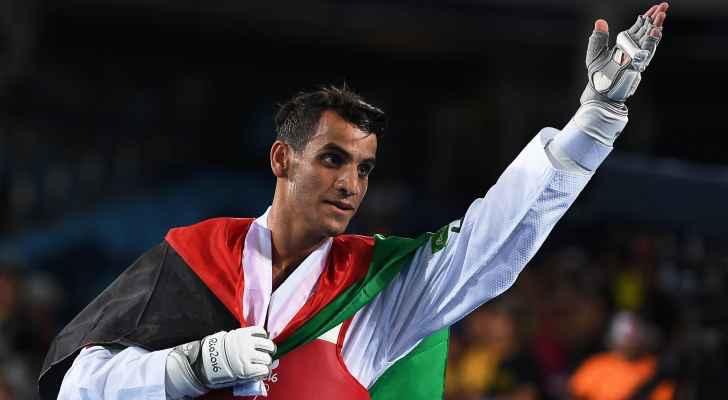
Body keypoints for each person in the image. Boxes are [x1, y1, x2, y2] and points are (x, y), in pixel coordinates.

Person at [39, 3, 670, 399]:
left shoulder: (375, 292)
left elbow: (493, 241)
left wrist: (595, 119)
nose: (351, 184)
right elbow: (80, 387)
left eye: (364, 169)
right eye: (333, 159)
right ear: (282, 159)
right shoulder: (192, 258)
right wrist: (192, 366)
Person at [569, 312, 675, 400]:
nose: (630, 342)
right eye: (625, 337)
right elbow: (576, 392)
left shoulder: (655, 369)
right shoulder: (596, 365)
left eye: (634, 337)